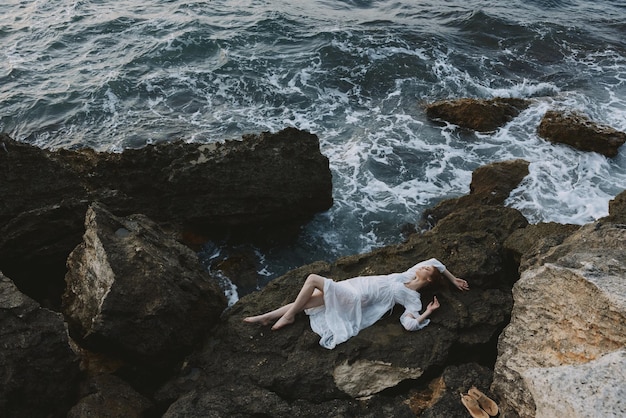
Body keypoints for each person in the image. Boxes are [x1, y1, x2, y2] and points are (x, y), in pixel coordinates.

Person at [244, 258, 469, 349]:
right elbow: (435, 261)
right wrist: (452, 278)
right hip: (353, 285)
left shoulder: (413, 298)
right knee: (308, 301)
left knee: (313, 279)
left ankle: (289, 315)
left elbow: (408, 324)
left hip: (355, 298)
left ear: (428, 279)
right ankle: (267, 316)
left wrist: (426, 313)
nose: (422, 266)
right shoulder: (406, 275)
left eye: (425, 270)